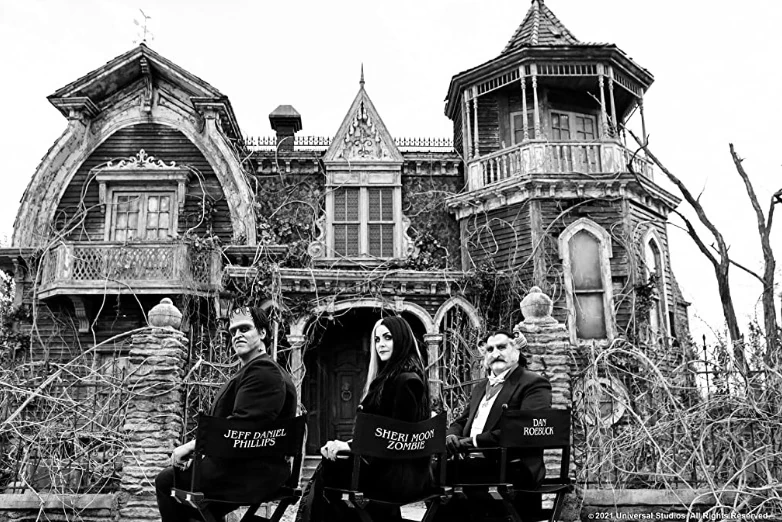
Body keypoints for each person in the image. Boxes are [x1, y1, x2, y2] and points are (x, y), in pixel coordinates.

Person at [155, 305, 297, 522]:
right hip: (245, 467)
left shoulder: (264, 372)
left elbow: (245, 426)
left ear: (262, 333)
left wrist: (194, 447)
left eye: (245, 329)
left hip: (252, 473)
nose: (237, 335)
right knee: (198, 504)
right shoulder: (258, 370)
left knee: (166, 481)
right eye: (233, 331)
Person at [299, 315, 431, 522]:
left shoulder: (405, 381)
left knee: (329, 470)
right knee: (330, 467)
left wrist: (350, 446)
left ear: (402, 339)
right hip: (388, 468)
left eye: (388, 337)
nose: (381, 344)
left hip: (397, 475)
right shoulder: (394, 378)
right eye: (377, 340)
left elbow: (396, 437)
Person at [435, 329, 552, 522]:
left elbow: (523, 430)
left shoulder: (533, 383)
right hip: (475, 464)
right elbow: (461, 421)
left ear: (517, 350)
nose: (495, 353)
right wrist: (451, 436)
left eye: (502, 347)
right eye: (490, 349)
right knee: (432, 474)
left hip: (511, 466)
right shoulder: (480, 387)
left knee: (435, 475)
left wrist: (471, 442)